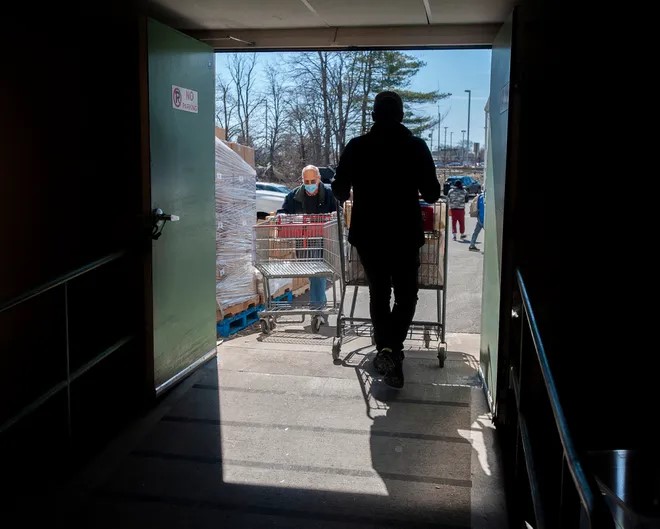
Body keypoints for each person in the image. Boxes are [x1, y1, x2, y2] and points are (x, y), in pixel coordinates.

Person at [332, 91, 440, 389]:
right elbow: (432, 193)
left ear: (373, 116)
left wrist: (353, 184)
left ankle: (386, 350)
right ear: (401, 115)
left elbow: (339, 190)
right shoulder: (416, 147)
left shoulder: (357, 146)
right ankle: (392, 349)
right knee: (406, 295)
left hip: (369, 235)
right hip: (404, 233)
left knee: (379, 294)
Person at [279, 164, 337, 310]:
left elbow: (338, 210)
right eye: (307, 182)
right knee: (313, 273)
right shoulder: (294, 196)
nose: (310, 185)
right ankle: (319, 305)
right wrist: (282, 215)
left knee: (318, 272)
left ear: (319, 179)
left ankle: (317, 307)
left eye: (313, 181)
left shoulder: (329, 194)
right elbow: (284, 210)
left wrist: (335, 214)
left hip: (325, 240)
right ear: (302, 181)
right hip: (304, 240)